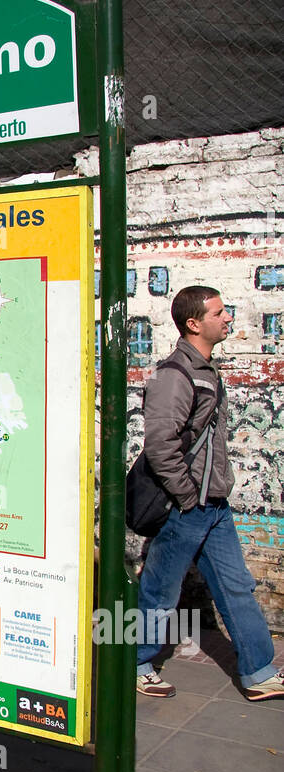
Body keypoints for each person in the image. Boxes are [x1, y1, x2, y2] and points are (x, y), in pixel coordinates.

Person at [136, 285, 284, 700]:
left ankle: (259, 672)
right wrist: (186, 496)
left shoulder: (205, 369)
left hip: (214, 505)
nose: (228, 319)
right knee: (160, 591)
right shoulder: (174, 375)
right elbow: (160, 445)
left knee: (237, 586)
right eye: (219, 313)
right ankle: (136, 663)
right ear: (194, 323)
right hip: (187, 507)